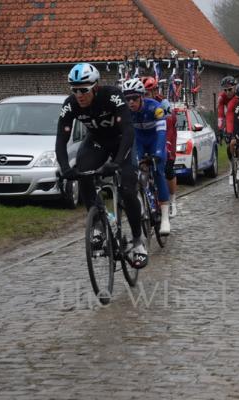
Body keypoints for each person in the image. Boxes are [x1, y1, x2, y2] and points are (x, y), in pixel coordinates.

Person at [55, 63, 148, 269]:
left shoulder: (112, 96)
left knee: (127, 189)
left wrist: (116, 163)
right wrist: (65, 168)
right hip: (96, 142)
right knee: (83, 173)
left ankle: (138, 242)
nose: (79, 94)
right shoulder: (70, 105)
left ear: (95, 86)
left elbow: (128, 130)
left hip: (121, 141)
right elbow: (61, 138)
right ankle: (98, 225)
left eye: (84, 90)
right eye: (75, 89)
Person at [122, 78, 171, 234]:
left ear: (142, 96)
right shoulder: (125, 112)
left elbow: (162, 132)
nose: (131, 102)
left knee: (158, 172)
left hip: (156, 140)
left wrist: (157, 154)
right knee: (135, 172)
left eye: (134, 98)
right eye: (127, 99)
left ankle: (164, 218)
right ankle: (143, 204)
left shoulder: (155, 108)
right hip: (139, 142)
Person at [141, 76, 178, 217]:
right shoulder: (139, 105)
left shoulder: (163, 104)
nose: (145, 96)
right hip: (149, 138)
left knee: (168, 168)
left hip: (167, 135)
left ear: (155, 91)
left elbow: (168, 128)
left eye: (148, 92)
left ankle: (173, 201)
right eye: (143, 93)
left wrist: (166, 146)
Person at [218, 75, 237, 184]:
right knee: (229, 144)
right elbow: (221, 115)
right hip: (230, 121)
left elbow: (230, 112)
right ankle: (232, 167)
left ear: (234, 87)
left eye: (230, 89)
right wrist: (220, 130)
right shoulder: (222, 97)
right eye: (225, 90)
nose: (227, 92)